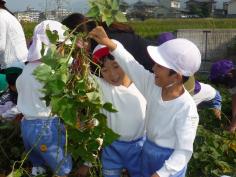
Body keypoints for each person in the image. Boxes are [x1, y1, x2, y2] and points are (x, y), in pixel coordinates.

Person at [89, 26, 201, 177]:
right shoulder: (153, 87)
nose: (153, 68)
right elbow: (132, 65)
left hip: (170, 163)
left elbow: (183, 151)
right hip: (147, 153)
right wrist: (110, 44)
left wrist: (162, 173)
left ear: (177, 76)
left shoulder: (186, 108)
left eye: (159, 66)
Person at [16, 20, 72, 177]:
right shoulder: (50, 71)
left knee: (37, 161)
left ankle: (37, 171)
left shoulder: (27, 68)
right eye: (62, 46)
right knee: (60, 163)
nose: (64, 51)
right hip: (46, 127)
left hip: (27, 125)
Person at [89, 44, 146, 177]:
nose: (113, 74)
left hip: (139, 147)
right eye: (104, 70)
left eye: (116, 66)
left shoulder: (143, 84)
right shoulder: (102, 86)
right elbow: (78, 72)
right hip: (112, 147)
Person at [157, 32, 222, 119]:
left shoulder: (185, 89)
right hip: (200, 94)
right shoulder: (175, 68)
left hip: (213, 98)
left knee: (215, 120)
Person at [61, 13, 156, 72]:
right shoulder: (104, 31)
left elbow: (100, 72)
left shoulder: (102, 44)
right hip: (155, 59)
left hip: (156, 66)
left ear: (78, 37)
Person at [210, 59, 236, 133]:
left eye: (223, 83)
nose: (224, 87)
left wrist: (233, 126)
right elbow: (235, 102)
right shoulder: (233, 81)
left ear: (229, 75)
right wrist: (233, 123)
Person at [0, 0, 27, 70]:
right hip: (18, 62)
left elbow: (1, 46)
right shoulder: (5, 14)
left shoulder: (1, 16)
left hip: (12, 66)